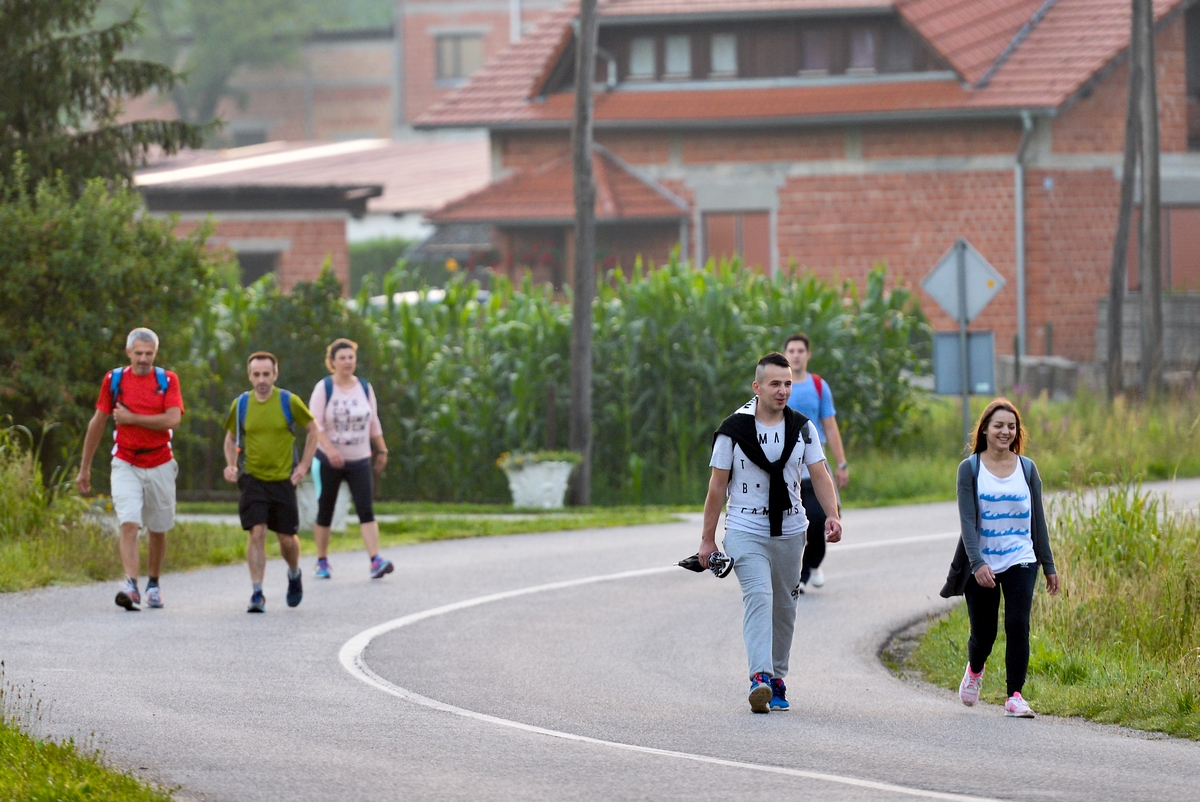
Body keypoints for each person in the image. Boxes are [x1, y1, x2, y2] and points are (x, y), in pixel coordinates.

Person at [700, 352, 842, 714]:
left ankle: (777, 678)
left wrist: (832, 515)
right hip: (746, 528)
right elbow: (717, 488)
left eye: (788, 384)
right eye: (775, 384)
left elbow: (820, 473)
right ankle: (759, 677)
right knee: (760, 596)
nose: (782, 391)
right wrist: (707, 539)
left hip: (792, 531)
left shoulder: (802, 428)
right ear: (757, 386)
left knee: (785, 606)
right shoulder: (733, 431)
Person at [940, 398, 1060, 718]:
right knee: (985, 634)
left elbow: (1038, 521)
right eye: (998, 426)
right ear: (985, 430)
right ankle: (975, 669)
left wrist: (1048, 565)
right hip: (983, 560)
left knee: (1018, 623)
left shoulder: (1027, 468)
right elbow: (967, 522)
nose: (1005, 431)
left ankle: (1014, 695)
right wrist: (977, 563)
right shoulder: (970, 469)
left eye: (1011, 426)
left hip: (1022, 556)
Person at [77, 328, 184, 611]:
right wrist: (84, 467)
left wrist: (130, 418)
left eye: (149, 354)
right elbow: (98, 422)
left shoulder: (167, 380)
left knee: (158, 528)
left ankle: (153, 585)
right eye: (138, 353)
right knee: (129, 522)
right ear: (129, 353)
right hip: (125, 461)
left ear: (155, 354)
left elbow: (173, 420)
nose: (143, 359)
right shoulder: (114, 380)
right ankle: (131, 585)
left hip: (160, 462)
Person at [222, 352, 320, 613]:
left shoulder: (289, 401)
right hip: (253, 479)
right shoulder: (241, 404)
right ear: (249, 375)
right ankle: (257, 593)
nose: (261, 379)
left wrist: (303, 466)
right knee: (257, 531)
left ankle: (294, 572)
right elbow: (231, 439)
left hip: (283, 479)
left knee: (287, 539)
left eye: (266, 374)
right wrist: (231, 465)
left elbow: (314, 430)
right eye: (256, 374)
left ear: (275, 374)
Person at [307, 338, 392, 580]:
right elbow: (315, 425)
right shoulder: (325, 388)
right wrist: (330, 450)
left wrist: (382, 450)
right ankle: (322, 561)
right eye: (342, 358)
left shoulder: (364, 387)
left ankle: (375, 560)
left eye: (350, 357)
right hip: (328, 461)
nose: (347, 362)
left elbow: (373, 420)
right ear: (332, 362)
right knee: (326, 509)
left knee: (366, 509)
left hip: (360, 459)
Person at [783, 333, 848, 592]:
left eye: (801, 350)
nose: (796, 355)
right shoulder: (778, 386)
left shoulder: (819, 386)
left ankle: (810, 566)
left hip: (814, 466)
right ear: (786, 354)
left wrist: (841, 464)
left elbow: (830, 427)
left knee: (820, 519)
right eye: (792, 350)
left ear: (808, 354)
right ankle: (794, 575)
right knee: (788, 526)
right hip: (785, 470)